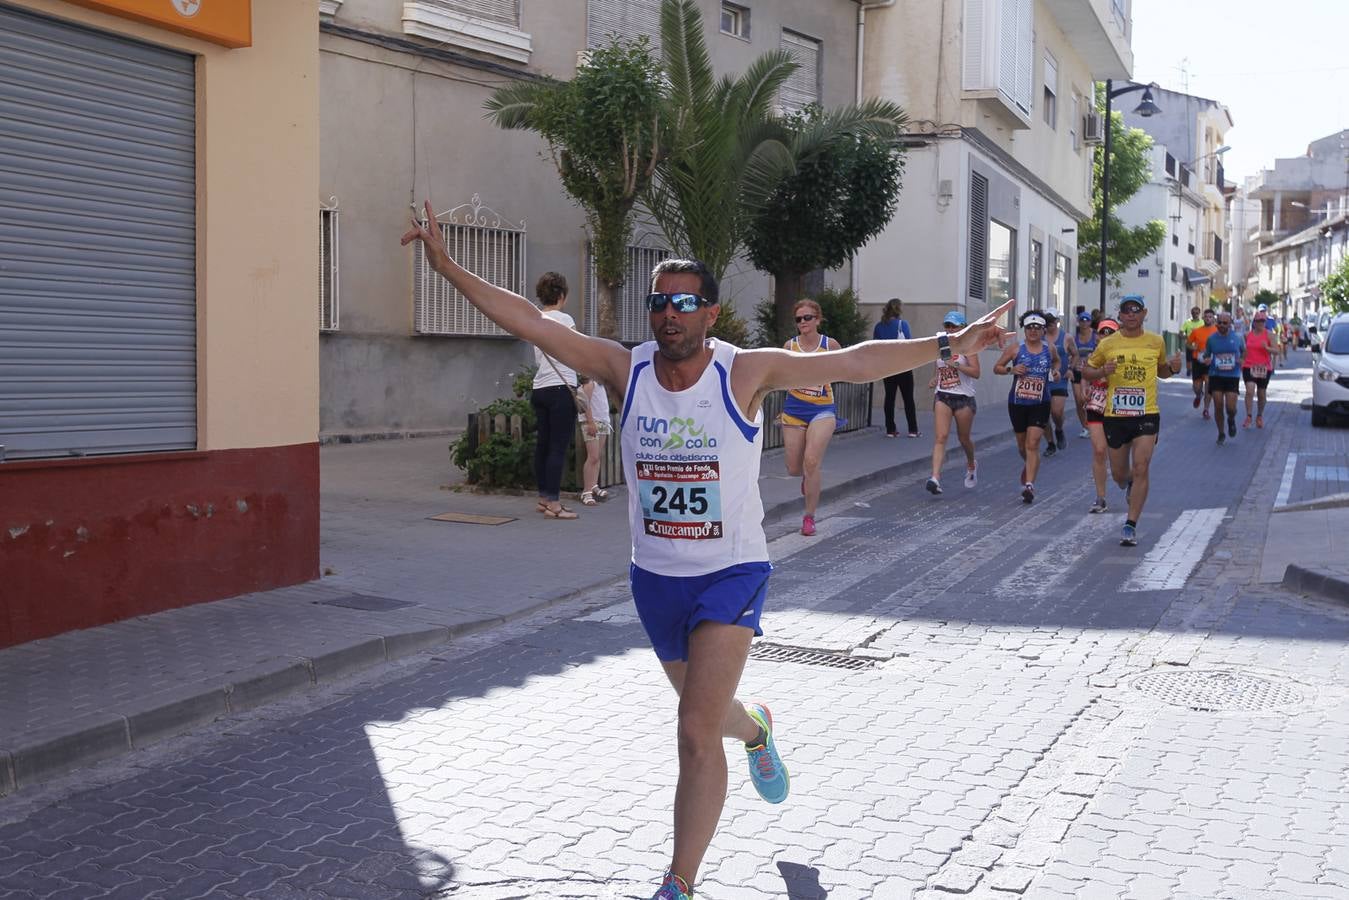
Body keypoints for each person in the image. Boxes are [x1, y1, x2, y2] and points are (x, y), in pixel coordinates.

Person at [402, 201, 1012, 900]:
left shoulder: (743, 371)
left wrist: (949, 344)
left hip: (731, 573)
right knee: (714, 716)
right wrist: (447, 266)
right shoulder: (622, 370)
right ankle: (756, 731)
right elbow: (528, 320)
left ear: (711, 315)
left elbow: (853, 361)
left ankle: (678, 884)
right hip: (655, 580)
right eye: (660, 302)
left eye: (686, 303)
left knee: (693, 731)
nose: (670, 314)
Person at [1082, 295, 1183, 547]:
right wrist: (1102, 372)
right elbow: (1086, 370)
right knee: (1118, 473)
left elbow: (1161, 371)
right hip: (1116, 415)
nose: (1130, 315)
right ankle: (1126, 483)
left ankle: (1130, 524)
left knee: (1141, 466)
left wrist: (1173, 368)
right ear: (1121, 315)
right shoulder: (1108, 344)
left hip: (1146, 414)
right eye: (1126, 311)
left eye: (1135, 310)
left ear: (1144, 313)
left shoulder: (1156, 341)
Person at [781, 300, 841, 536]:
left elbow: (845, 368)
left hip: (822, 409)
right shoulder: (790, 346)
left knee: (812, 461)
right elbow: (781, 374)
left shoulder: (830, 345)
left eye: (807, 318)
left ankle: (809, 517)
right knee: (794, 468)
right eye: (799, 319)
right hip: (794, 409)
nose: (803, 323)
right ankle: (807, 478)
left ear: (817, 319)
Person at [993, 310, 1059, 504]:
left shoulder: (1050, 348)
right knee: (1023, 446)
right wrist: (1011, 369)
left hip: (1040, 403)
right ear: (1024, 329)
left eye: (1037, 328)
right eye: (1029, 327)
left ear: (1043, 330)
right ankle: (1030, 465)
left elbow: (1056, 362)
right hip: (1017, 403)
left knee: (1032, 444)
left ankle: (1029, 485)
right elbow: (996, 367)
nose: (1032, 331)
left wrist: (1055, 371)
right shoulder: (1015, 349)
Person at [531, 272, 580, 520]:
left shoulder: (535, 319)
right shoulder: (565, 319)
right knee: (558, 448)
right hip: (561, 388)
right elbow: (575, 350)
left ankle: (543, 498)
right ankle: (553, 503)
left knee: (543, 445)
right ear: (561, 295)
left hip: (540, 388)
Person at [924, 310, 981, 494]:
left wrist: (955, 365)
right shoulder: (940, 345)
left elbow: (976, 373)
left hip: (964, 398)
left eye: (953, 326)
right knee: (941, 437)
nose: (949, 329)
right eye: (947, 325)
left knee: (964, 438)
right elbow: (939, 367)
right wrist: (935, 378)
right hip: (943, 395)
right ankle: (935, 478)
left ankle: (971, 463)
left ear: (962, 328)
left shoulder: (968, 347)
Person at [1083, 318, 1119, 513]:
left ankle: (1128, 478)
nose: (1105, 336)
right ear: (1097, 335)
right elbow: (1084, 375)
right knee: (1099, 450)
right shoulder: (1092, 356)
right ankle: (1100, 497)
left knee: (1117, 455)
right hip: (1096, 403)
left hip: (1118, 406)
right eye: (1102, 332)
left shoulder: (1123, 355)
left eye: (1110, 332)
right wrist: (1084, 390)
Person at [873, 298, 919, 437]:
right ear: (899, 309)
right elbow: (909, 344)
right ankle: (913, 430)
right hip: (903, 365)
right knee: (908, 398)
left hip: (888, 366)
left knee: (889, 398)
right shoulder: (902, 324)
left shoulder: (879, 326)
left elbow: (875, 347)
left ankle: (890, 430)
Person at [1200, 311, 1245, 445]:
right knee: (1218, 405)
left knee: (1230, 408)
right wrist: (1206, 359)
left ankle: (1231, 419)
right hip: (1216, 375)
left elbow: (1244, 351)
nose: (1221, 325)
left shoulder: (1237, 337)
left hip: (1232, 376)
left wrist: (1242, 360)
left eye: (1225, 323)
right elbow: (1206, 355)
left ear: (1230, 323)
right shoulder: (1211, 339)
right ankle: (1221, 433)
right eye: (1219, 322)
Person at [1042, 311, 1074, 455]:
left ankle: (1059, 430)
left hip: (1059, 379)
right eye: (1047, 322)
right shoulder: (1039, 336)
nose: (1050, 324)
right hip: (1042, 379)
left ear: (1057, 321)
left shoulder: (1066, 337)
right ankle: (1050, 443)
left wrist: (1070, 368)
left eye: (1052, 321)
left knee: (1056, 411)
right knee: (1043, 415)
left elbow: (1076, 354)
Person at [578, 377, 612, 506]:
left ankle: (593, 485)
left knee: (597, 456)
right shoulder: (590, 383)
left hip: (603, 422)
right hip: (592, 423)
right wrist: (591, 422)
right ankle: (586, 491)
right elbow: (585, 404)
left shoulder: (600, 384)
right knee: (592, 457)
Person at [1242, 307, 1277, 428]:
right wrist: (1241, 361)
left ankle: (1259, 415)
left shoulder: (1270, 335)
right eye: (1259, 321)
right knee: (1250, 391)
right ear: (1254, 322)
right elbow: (1244, 351)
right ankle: (1249, 416)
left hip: (1264, 368)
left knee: (1261, 394)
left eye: (1263, 321)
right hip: (1249, 366)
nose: (1261, 323)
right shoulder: (1247, 335)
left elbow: (1276, 351)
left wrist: (1267, 348)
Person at [1070, 311, 1098, 439]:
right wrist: (1072, 364)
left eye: (1087, 320)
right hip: (1077, 371)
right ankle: (1085, 427)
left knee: (1090, 400)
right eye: (1082, 320)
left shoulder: (1095, 337)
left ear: (1090, 322)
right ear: (1079, 322)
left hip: (1091, 372)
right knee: (1079, 400)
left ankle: (1093, 424)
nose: (1084, 323)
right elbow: (1070, 353)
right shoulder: (1074, 338)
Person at [1185, 308, 1217, 419]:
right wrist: (1194, 347)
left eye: (1210, 317)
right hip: (1197, 361)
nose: (1208, 318)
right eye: (1206, 316)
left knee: (1209, 384)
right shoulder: (1196, 331)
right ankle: (1199, 395)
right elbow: (1188, 343)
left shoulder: (1217, 331)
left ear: (1213, 318)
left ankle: (1206, 409)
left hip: (1211, 362)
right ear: (1203, 318)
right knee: (1196, 386)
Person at [1180, 306, 1204, 376]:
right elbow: (1181, 333)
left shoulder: (1202, 322)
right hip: (1190, 343)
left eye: (1197, 313)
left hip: (1199, 343)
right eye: (1193, 313)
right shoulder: (1187, 322)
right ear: (1191, 313)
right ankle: (1189, 369)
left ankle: (1198, 369)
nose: (1195, 314)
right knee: (1189, 358)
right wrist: (1186, 337)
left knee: (1198, 357)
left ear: (1199, 313)